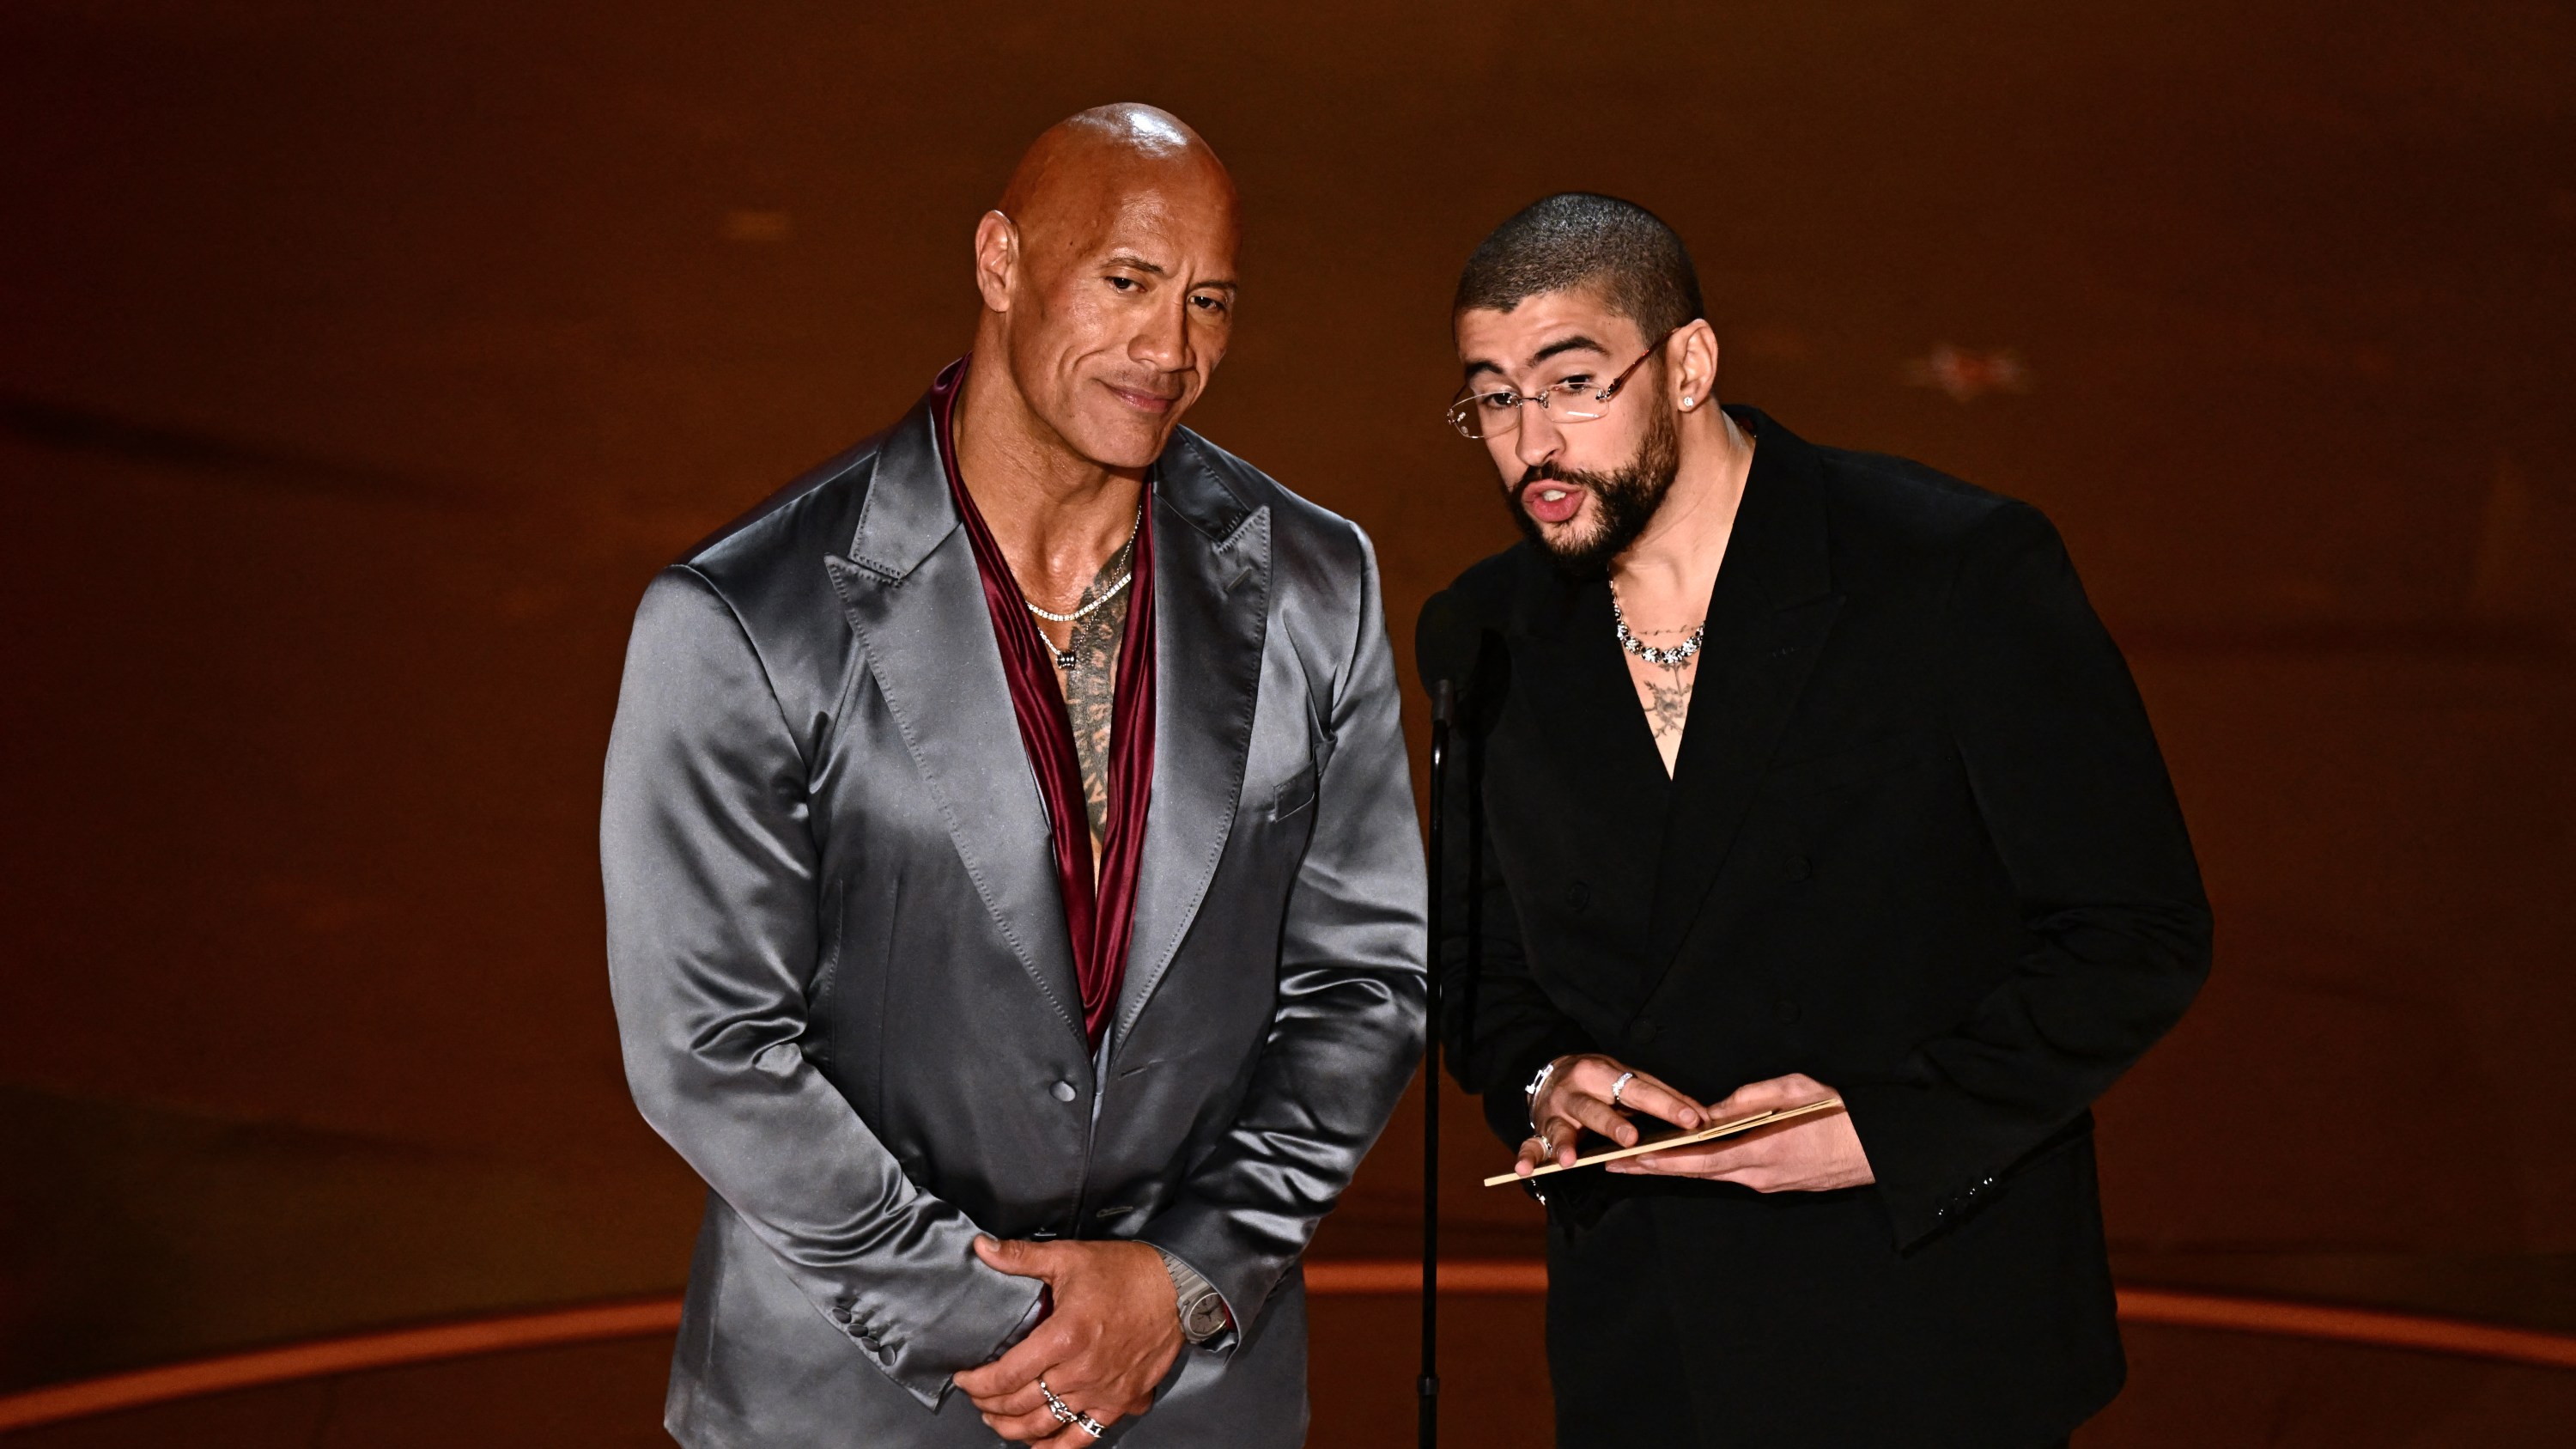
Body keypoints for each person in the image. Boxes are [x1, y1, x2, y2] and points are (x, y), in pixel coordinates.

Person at [602, 104, 1425, 1448]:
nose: (1171, 350)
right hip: (854, 1407)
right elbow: (711, 1049)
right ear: (1000, 261)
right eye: (1128, 282)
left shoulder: (1317, 585)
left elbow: (1367, 983)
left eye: (1209, 301)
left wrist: (1180, 1283)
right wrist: (1008, 1324)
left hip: (1190, 1397)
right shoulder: (744, 620)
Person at [1418, 194, 2212, 1448]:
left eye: (1574, 384)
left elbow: (2135, 930)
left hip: (1928, 1333)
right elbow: (1474, 962)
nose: (1533, 445)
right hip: (1651, 1352)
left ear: (1688, 364)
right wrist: (1546, 1075)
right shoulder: (1488, 632)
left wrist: (1888, 1132)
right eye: (1496, 400)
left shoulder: (1952, 571)